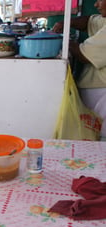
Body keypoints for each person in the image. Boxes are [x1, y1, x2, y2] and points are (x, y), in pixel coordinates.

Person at [52, 0, 106, 139]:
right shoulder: (104, 20)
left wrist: (61, 41)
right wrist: (66, 23)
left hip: (102, 94)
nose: (95, 5)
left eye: (100, 0)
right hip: (97, 91)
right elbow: (89, 21)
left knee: (101, 141)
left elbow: (83, 54)